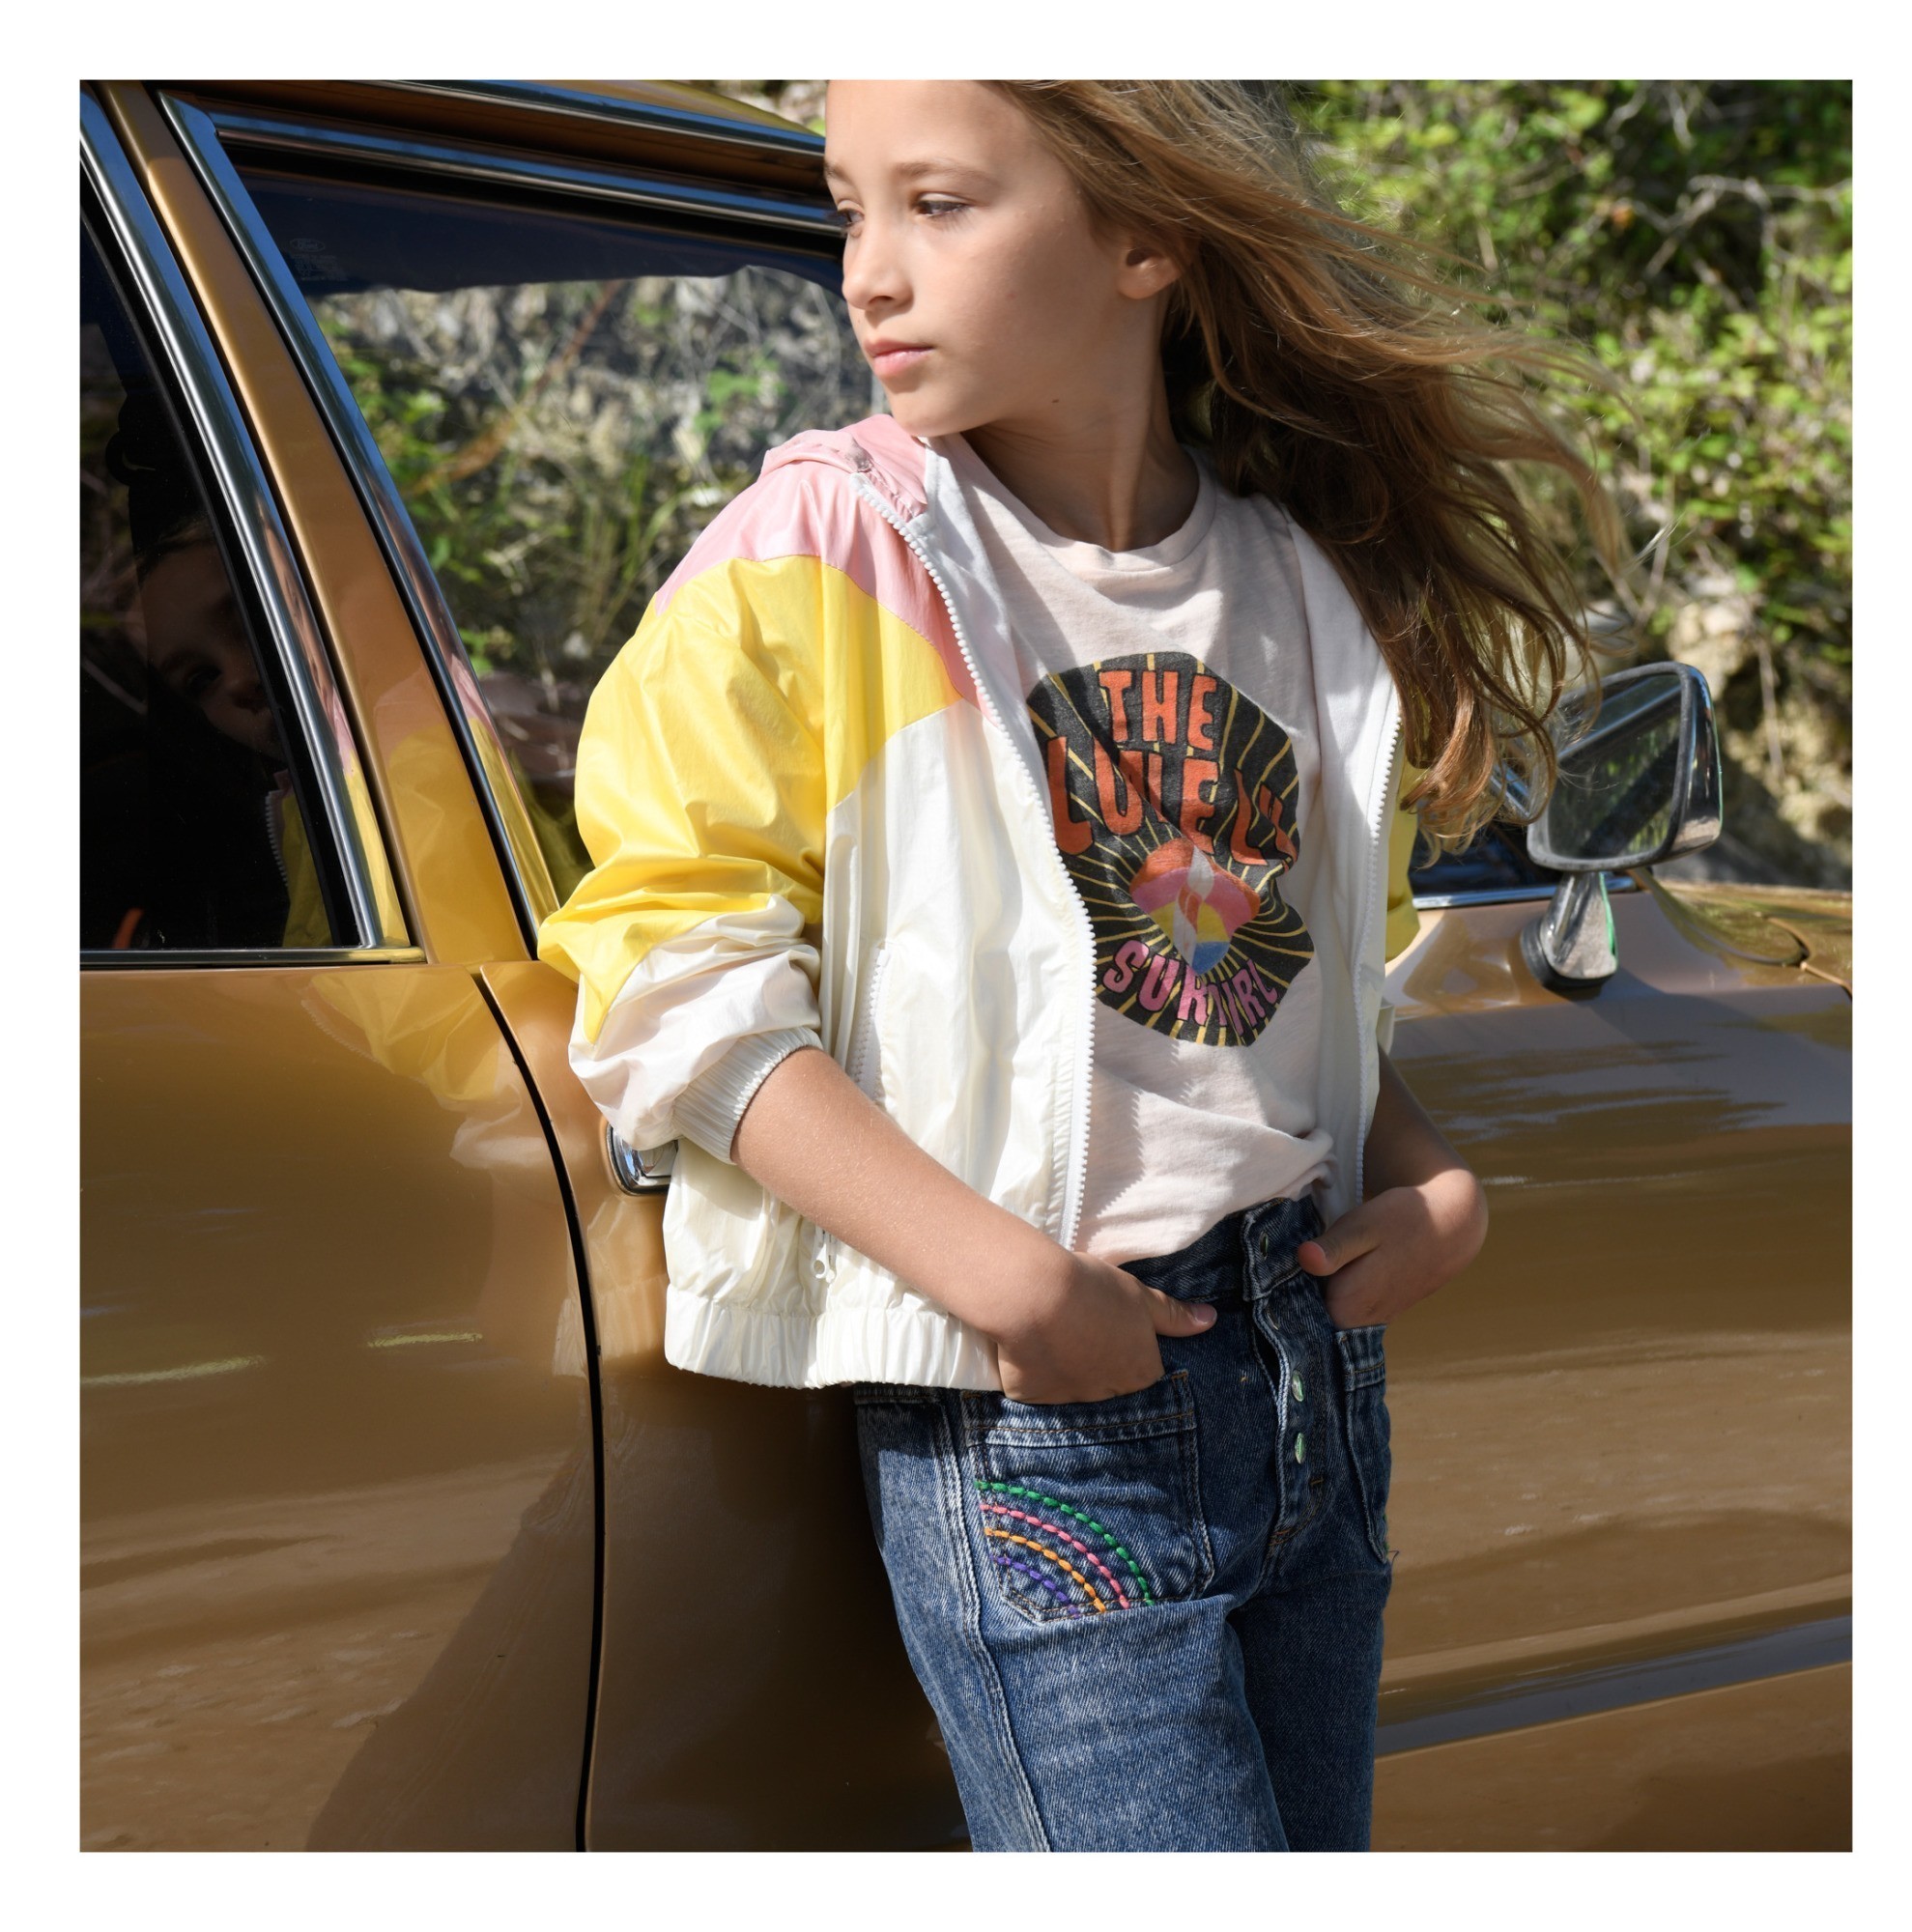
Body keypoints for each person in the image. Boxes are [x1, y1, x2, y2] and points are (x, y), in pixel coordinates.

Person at [536, 80, 1618, 1852]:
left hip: (1310, 1375)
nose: (867, 275)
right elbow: (671, 975)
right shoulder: (819, 556)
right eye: (850, 209)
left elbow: (1281, 998)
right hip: (1047, 1411)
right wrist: (1003, 1284)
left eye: (938, 204)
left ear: (1146, 237)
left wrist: (1427, 1178)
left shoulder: (1301, 586)